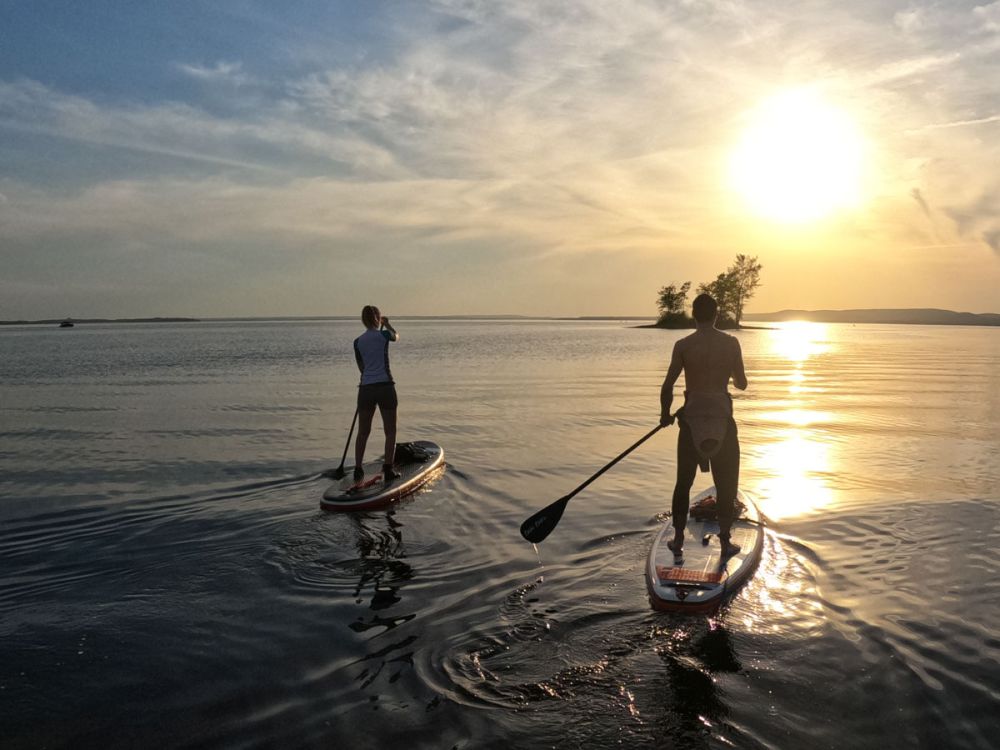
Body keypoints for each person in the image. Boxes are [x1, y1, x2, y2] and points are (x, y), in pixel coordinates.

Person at [659, 293, 748, 557]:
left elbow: (667, 386)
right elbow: (741, 383)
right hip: (722, 421)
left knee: (683, 482)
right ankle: (725, 541)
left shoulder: (683, 345)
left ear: (694, 315)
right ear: (717, 314)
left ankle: (677, 540)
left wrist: (665, 415)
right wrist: (729, 374)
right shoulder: (731, 343)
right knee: (726, 482)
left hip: (691, 423)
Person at [353, 305, 400, 483]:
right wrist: (387, 325)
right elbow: (396, 336)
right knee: (390, 431)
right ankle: (388, 469)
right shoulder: (383, 335)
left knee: (363, 432)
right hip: (385, 387)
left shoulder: (357, 342)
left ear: (363, 320)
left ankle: (358, 469)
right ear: (378, 318)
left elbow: (362, 368)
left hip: (366, 389)